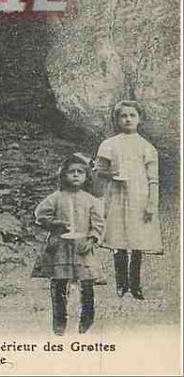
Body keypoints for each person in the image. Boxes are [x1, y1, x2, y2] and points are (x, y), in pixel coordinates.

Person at [94, 100, 163, 299]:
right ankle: (121, 285)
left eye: (132, 115)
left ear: (139, 119)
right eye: (123, 116)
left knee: (137, 242)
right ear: (116, 120)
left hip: (139, 198)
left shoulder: (146, 147)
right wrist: (111, 173)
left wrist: (151, 204)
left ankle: (135, 286)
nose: (128, 119)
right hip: (115, 196)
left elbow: (153, 179)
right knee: (118, 241)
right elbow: (99, 172)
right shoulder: (109, 144)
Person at [31, 154, 105, 336]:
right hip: (61, 248)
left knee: (86, 283)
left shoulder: (90, 200)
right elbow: (40, 214)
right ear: (63, 176)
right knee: (58, 284)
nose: (76, 175)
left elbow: (98, 223)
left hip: (82, 248)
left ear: (87, 177)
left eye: (80, 172)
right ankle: (59, 323)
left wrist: (92, 239)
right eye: (71, 172)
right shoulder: (56, 198)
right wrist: (55, 223)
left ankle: (86, 320)